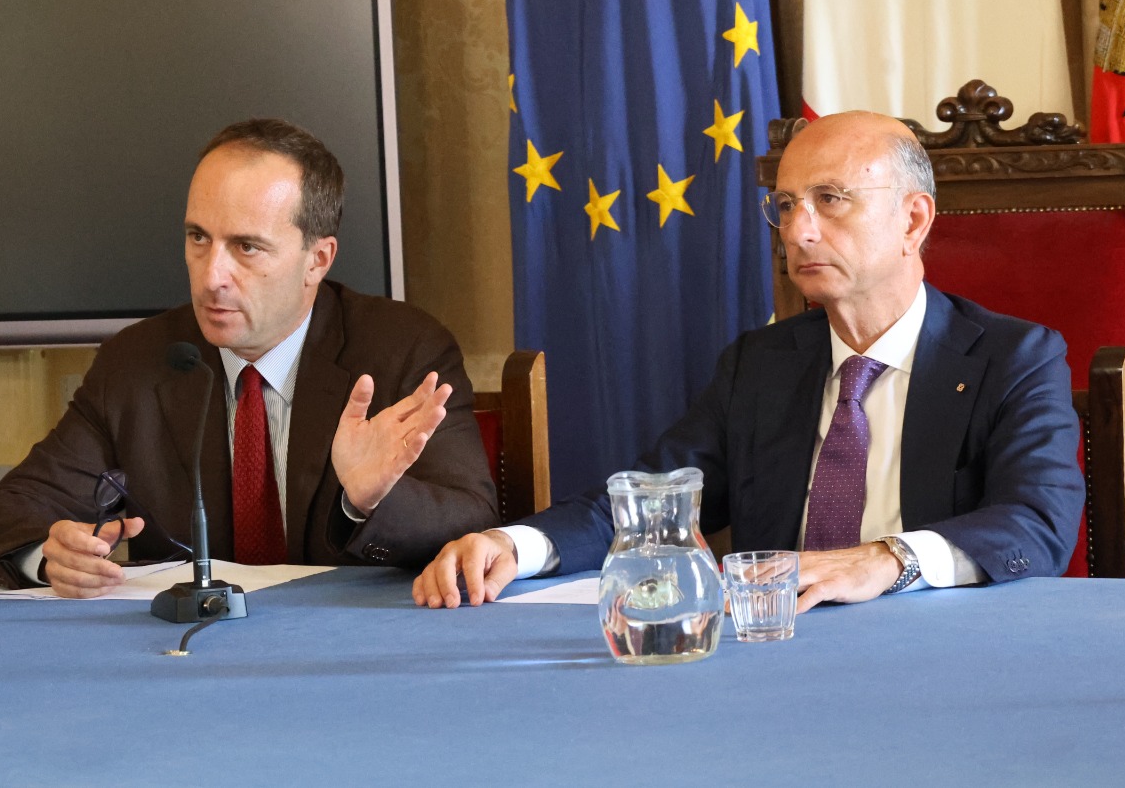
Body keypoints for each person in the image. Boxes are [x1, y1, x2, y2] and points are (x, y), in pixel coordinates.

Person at [413, 111, 1085, 612]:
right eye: (786, 206)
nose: (799, 231)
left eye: (830, 200)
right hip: (776, 650)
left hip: (943, 654)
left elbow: (1038, 522)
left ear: (913, 221)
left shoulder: (1014, 358)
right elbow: (654, 499)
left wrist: (886, 561)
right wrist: (515, 545)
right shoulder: (761, 365)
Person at [0, 119, 499, 595]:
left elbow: (472, 518)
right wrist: (49, 556)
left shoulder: (401, 351)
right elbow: (8, 511)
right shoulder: (140, 361)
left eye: (247, 247)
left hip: (346, 647)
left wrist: (364, 503)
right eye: (198, 237)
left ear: (317, 260)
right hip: (182, 654)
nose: (211, 276)